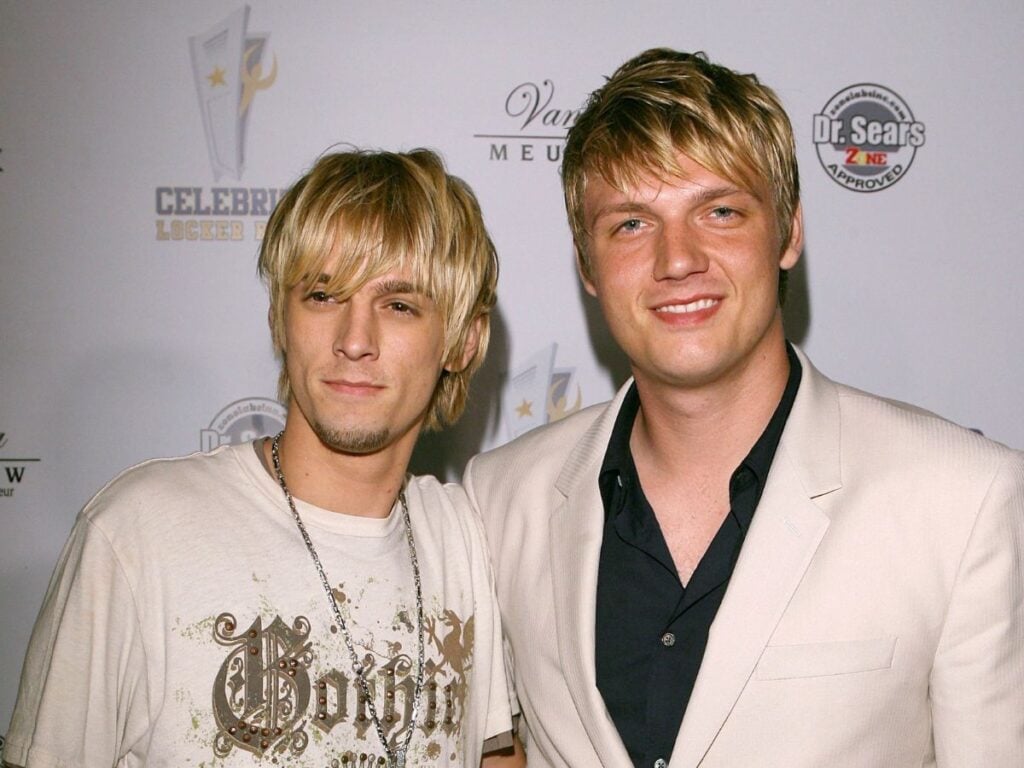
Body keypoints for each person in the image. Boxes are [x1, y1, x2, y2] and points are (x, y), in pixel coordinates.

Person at [464, 48, 1024, 768]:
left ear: (788, 233)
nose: (677, 259)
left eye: (720, 211)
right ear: (586, 265)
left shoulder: (962, 498)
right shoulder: (499, 497)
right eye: (631, 225)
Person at [5, 149, 523, 768]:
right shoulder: (137, 533)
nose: (354, 341)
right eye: (324, 295)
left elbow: (497, 756)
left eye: (399, 305)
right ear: (281, 317)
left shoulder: (461, 537)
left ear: (462, 342)